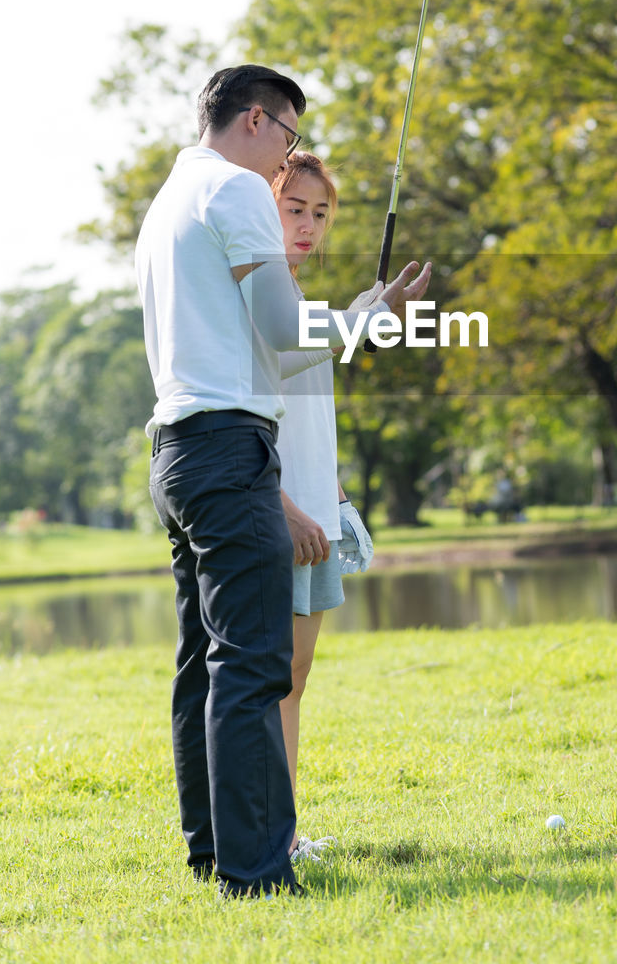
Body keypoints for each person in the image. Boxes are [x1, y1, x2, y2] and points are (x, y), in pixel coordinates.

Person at [135, 64, 430, 899]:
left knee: (205, 664)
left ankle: (212, 854)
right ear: (258, 120)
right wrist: (365, 319)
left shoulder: (168, 202)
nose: (287, 161)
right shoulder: (233, 190)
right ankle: (258, 875)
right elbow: (281, 331)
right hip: (229, 448)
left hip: (178, 451)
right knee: (253, 667)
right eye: (290, 138)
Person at [271, 152, 361, 861]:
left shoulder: (298, 300)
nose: (309, 225)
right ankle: (271, 835)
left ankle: (286, 831)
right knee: (274, 679)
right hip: (280, 514)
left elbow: (303, 410)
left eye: (320, 213)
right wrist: (285, 501)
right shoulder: (256, 294)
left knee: (296, 679)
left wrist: (329, 487)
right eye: (295, 209)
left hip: (317, 511)